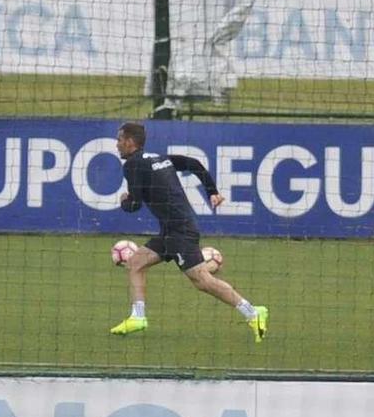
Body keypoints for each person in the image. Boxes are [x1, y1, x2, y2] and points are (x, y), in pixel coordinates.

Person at [110, 122, 268, 342]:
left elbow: (134, 205)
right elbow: (193, 164)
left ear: (129, 141)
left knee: (202, 281)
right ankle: (138, 317)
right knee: (136, 263)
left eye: (119, 140)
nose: (116, 145)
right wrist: (212, 191)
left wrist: (124, 201)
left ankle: (253, 312)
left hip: (180, 232)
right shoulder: (159, 158)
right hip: (172, 229)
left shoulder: (132, 166)